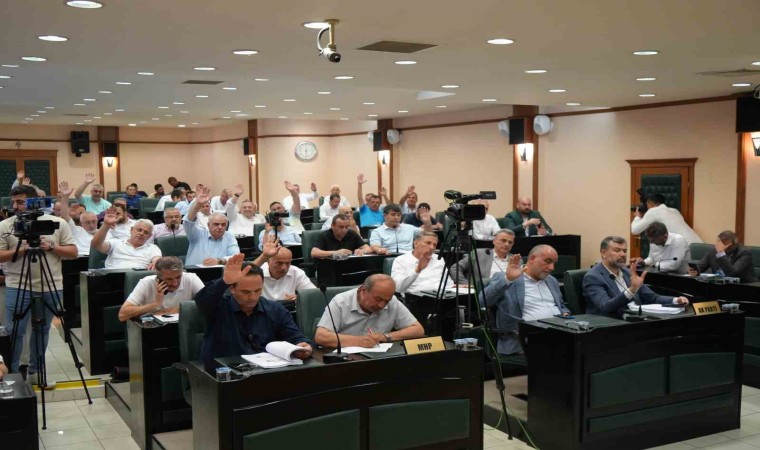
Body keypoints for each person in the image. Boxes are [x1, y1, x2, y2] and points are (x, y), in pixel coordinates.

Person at [0, 185, 77, 378]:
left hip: (51, 285)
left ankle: (36, 371)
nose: (15, 206)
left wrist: (51, 247)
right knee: (14, 331)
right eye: (13, 202)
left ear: (34, 202)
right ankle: (12, 374)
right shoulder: (6, 226)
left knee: (42, 330)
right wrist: (23, 249)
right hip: (18, 285)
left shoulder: (56, 223)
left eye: (20, 202)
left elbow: (73, 252)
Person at [194, 254, 313, 361]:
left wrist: (303, 345)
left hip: (266, 371)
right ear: (232, 289)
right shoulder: (218, 307)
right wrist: (224, 281)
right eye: (245, 292)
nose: (252, 297)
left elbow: (296, 336)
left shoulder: (275, 310)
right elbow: (202, 300)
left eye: (257, 291)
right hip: (224, 371)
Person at [479, 245, 570, 355]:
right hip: (524, 340)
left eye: (554, 263)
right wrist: (508, 279)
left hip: (559, 335)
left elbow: (561, 305)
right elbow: (482, 301)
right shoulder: (507, 277)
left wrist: (565, 313)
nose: (552, 268)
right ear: (532, 259)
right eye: (548, 261)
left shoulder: (551, 280)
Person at [583, 236, 689, 318]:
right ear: (603, 253)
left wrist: (676, 300)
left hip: (635, 319)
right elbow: (606, 306)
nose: (623, 254)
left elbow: (652, 297)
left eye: (625, 251)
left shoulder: (628, 272)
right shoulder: (593, 277)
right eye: (617, 250)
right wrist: (632, 290)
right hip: (610, 324)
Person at [314, 274, 425, 348]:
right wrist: (360, 341)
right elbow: (321, 336)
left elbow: (418, 330)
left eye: (386, 301)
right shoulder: (340, 302)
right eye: (378, 299)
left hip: (377, 359)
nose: (382, 305)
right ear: (363, 290)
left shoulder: (392, 302)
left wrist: (385, 337)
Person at [118, 256, 205, 321]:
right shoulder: (146, 283)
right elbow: (122, 315)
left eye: (178, 277)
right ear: (158, 278)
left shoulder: (191, 278)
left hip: (184, 327)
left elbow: (209, 302)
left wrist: (178, 309)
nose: (175, 283)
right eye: (169, 279)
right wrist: (155, 304)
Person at [184, 186, 240, 266]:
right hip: (195, 271)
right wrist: (198, 205)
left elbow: (236, 256)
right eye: (216, 224)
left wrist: (219, 261)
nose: (220, 227)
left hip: (220, 271)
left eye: (223, 225)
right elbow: (188, 222)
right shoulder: (197, 234)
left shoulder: (229, 237)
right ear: (208, 225)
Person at [91, 209, 162, 269]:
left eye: (146, 232)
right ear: (131, 230)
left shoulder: (153, 248)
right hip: (113, 277)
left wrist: (156, 263)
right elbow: (96, 244)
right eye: (139, 230)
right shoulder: (116, 243)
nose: (141, 233)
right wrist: (106, 224)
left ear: (149, 236)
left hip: (139, 277)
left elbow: (157, 260)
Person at [252, 238, 316, 304]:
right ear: (268, 262)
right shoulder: (258, 271)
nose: (284, 268)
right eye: (279, 263)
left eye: (287, 263)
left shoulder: (296, 272)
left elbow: (314, 294)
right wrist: (264, 256)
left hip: (288, 308)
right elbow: (245, 272)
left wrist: (300, 298)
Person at [450, 229, 515, 285]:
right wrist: (466, 284)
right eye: (503, 240)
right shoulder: (479, 254)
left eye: (510, 242)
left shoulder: (516, 260)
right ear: (494, 241)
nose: (507, 244)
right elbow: (455, 268)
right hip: (484, 291)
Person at [631, 193, 702, 244]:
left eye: (647, 205)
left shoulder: (653, 211)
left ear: (650, 203)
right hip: (699, 244)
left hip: (686, 248)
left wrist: (638, 216)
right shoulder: (675, 211)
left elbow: (635, 230)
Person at [689, 231, 757, 283]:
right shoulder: (712, 251)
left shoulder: (744, 253)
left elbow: (731, 273)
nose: (718, 246)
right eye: (718, 242)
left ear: (733, 245)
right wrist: (695, 271)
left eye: (723, 244)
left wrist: (721, 254)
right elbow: (701, 266)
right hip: (719, 285)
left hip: (744, 286)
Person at [58, 181, 97, 256]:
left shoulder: (105, 233)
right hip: (81, 258)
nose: (91, 225)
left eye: (94, 222)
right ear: (81, 223)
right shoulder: (77, 230)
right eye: (87, 222)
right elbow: (65, 215)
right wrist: (65, 197)